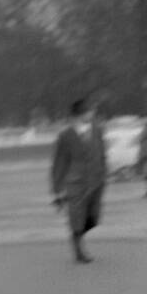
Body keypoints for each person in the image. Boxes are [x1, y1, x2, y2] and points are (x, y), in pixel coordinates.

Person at [51, 97, 107, 263]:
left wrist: (104, 174)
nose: (92, 113)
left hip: (96, 181)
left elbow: (102, 154)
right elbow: (59, 163)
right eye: (89, 110)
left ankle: (77, 234)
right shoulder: (65, 136)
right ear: (79, 114)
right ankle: (78, 249)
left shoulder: (97, 130)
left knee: (94, 218)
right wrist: (57, 190)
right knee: (77, 217)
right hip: (75, 183)